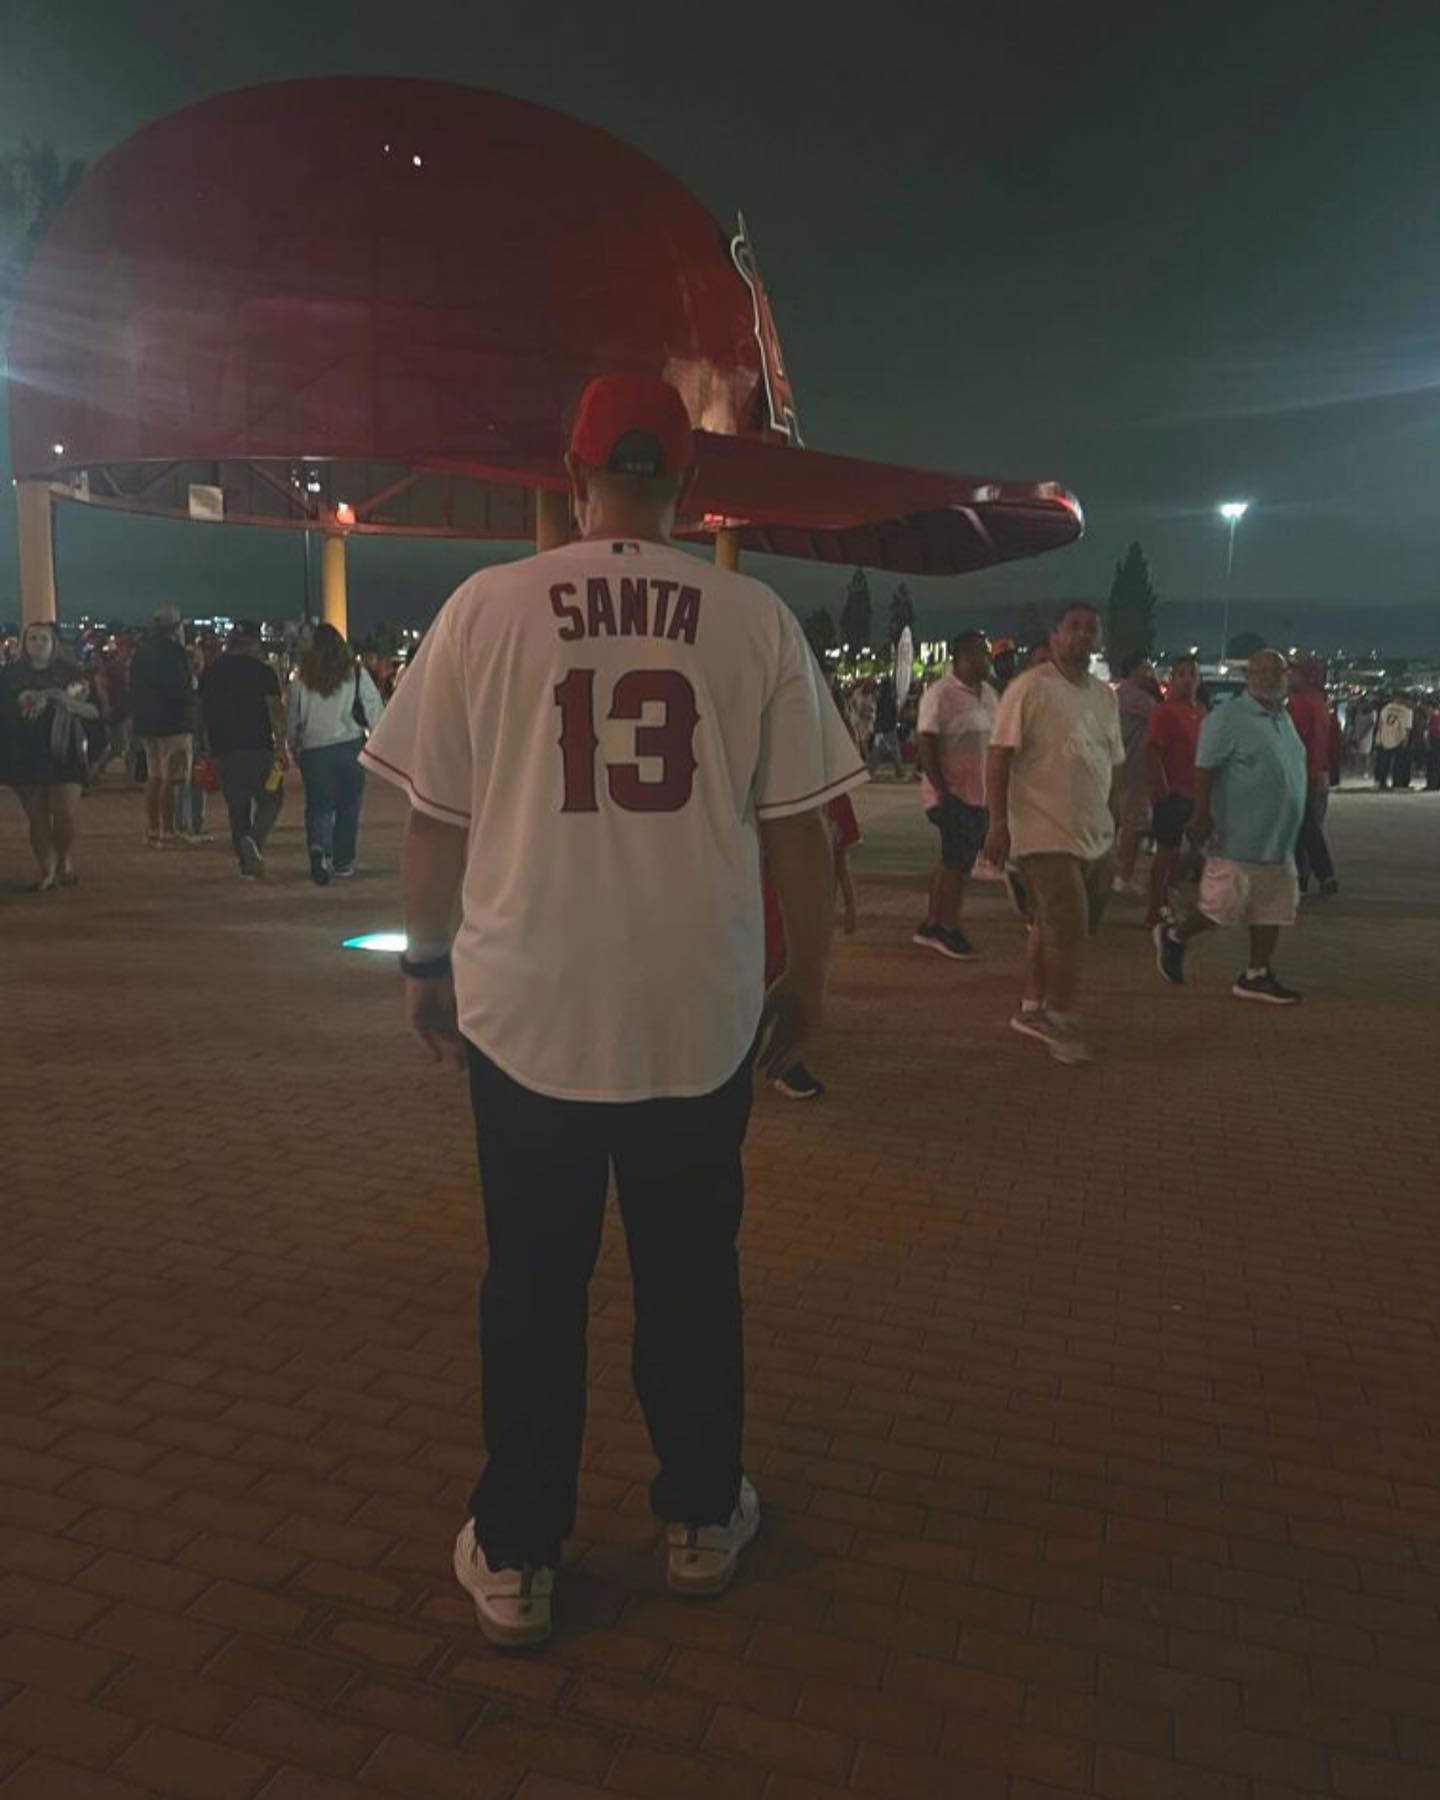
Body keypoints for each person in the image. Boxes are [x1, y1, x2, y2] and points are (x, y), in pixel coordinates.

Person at [361, 373, 864, 1647]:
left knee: (532, 1284)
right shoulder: (751, 620)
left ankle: (521, 1550)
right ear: (686, 486)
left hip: (528, 1009)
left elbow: (434, 824)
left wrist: (427, 969)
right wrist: (807, 982)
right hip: (696, 1014)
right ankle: (699, 1516)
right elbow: (797, 835)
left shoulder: (486, 608)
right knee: (692, 1279)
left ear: (571, 473)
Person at [983, 602, 1123, 1065]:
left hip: (1094, 833)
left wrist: (1115, 824)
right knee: (1067, 925)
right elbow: (1000, 756)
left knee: (1051, 925)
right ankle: (1061, 1018)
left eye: (1091, 629)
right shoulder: (1029, 688)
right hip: (1042, 831)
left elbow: (1112, 765)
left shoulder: (1105, 696)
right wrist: (998, 822)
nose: (1083, 636)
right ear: (1056, 634)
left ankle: (1032, 1005)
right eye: (1074, 628)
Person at [1154, 650, 1308, 1004]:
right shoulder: (1228, 717)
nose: (1270, 677)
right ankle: (1175, 936)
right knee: (1220, 907)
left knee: (1274, 907)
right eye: (1262, 670)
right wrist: (1202, 813)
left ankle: (1257, 973)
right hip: (1238, 835)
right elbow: (1205, 767)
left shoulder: (1283, 717)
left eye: (1277, 670)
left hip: (1279, 838)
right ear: (1248, 675)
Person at [913, 631, 996, 961]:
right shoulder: (941, 694)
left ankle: (934, 923)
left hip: (979, 794)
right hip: (951, 794)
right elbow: (926, 743)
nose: (986, 660)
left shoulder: (989, 693)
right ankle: (947, 926)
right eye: (980, 654)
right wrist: (942, 789)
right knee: (956, 863)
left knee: (954, 862)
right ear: (962, 657)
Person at [0, 622, 100, 891]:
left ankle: (64, 855)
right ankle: (48, 868)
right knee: (38, 817)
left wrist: (65, 700)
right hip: (24, 754)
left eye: (44, 638)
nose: (38, 643)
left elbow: (95, 711)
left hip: (64, 751)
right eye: (32, 638)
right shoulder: (9, 675)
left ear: (54, 642)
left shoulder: (70, 674)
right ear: (23, 643)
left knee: (64, 812)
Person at [285, 622, 384, 885]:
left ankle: (319, 848)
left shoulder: (302, 679)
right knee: (348, 807)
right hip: (348, 746)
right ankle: (343, 861)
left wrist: (293, 743)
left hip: (313, 750)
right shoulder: (356, 674)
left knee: (318, 806)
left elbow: (292, 716)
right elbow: (374, 708)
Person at [199, 620, 288, 879]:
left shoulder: (212, 672)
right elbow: (275, 711)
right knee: (272, 798)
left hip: (224, 751)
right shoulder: (263, 672)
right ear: (254, 643)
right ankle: (254, 839)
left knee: (237, 808)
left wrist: (203, 747)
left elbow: (201, 712)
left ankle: (246, 862)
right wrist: (281, 745)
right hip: (259, 748)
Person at [1144, 653, 1206, 927]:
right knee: (1166, 851)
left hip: (1196, 791)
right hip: (1173, 792)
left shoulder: (1201, 711)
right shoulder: (1164, 712)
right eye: (1181, 674)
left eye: (1191, 674)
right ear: (1172, 679)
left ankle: (1167, 891)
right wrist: (1161, 786)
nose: (1187, 680)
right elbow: (1153, 750)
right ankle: (1155, 908)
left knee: (1198, 849)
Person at [129, 604, 196, 847]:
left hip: (148, 722)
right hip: (174, 722)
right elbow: (181, 687)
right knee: (173, 779)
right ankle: (169, 829)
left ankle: (153, 828)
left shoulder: (142, 652)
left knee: (155, 777)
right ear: (175, 627)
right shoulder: (176, 653)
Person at [1286, 656, 1338, 898]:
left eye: (1293, 673)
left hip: (1302, 775)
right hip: (1318, 773)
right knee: (1309, 828)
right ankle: (1320, 875)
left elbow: (1291, 740)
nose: (1288, 677)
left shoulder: (1299, 704)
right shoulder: (1320, 703)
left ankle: (1310, 876)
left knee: (1301, 829)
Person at [1111, 652, 1158, 894]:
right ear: (1134, 670)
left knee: (1114, 822)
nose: (1150, 672)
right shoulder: (1138, 699)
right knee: (1134, 824)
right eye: (1146, 668)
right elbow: (1160, 717)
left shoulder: (1119, 694)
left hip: (1117, 766)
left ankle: (1108, 873)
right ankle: (1124, 876)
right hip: (1134, 769)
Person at [1374, 694, 1413, 790]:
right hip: (1399, 738)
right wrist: (1406, 741)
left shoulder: (1386, 708)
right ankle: (1397, 782)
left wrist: (1378, 737)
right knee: (1398, 763)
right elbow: (1407, 728)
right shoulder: (1407, 711)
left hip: (1385, 737)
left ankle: (1382, 781)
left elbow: (1380, 724)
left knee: (1384, 762)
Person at [868, 676, 904, 778]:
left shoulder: (880, 700)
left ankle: (871, 770)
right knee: (895, 751)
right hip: (890, 729)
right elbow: (894, 715)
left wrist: (877, 726)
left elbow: (879, 714)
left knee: (876, 751)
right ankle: (899, 770)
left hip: (881, 729)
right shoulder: (892, 700)